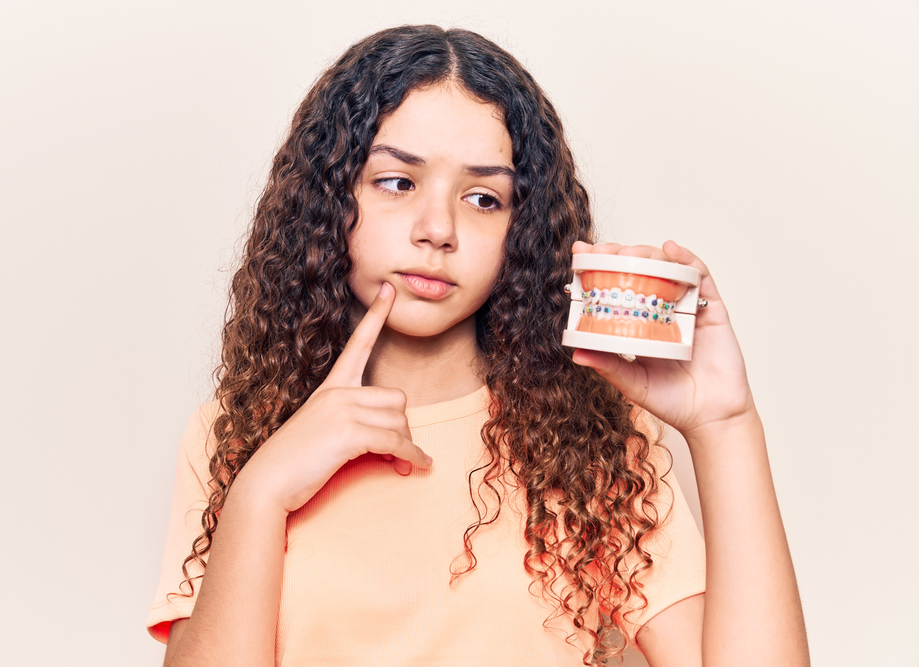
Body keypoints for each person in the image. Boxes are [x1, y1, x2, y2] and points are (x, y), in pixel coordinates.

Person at [146, 25, 809, 666]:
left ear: (520, 233)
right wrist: (261, 491)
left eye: (484, 198)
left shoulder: (592, 441)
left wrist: (726, 425)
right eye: (398, 182)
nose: (439, 229)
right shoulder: (234, 439)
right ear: (327, 200)